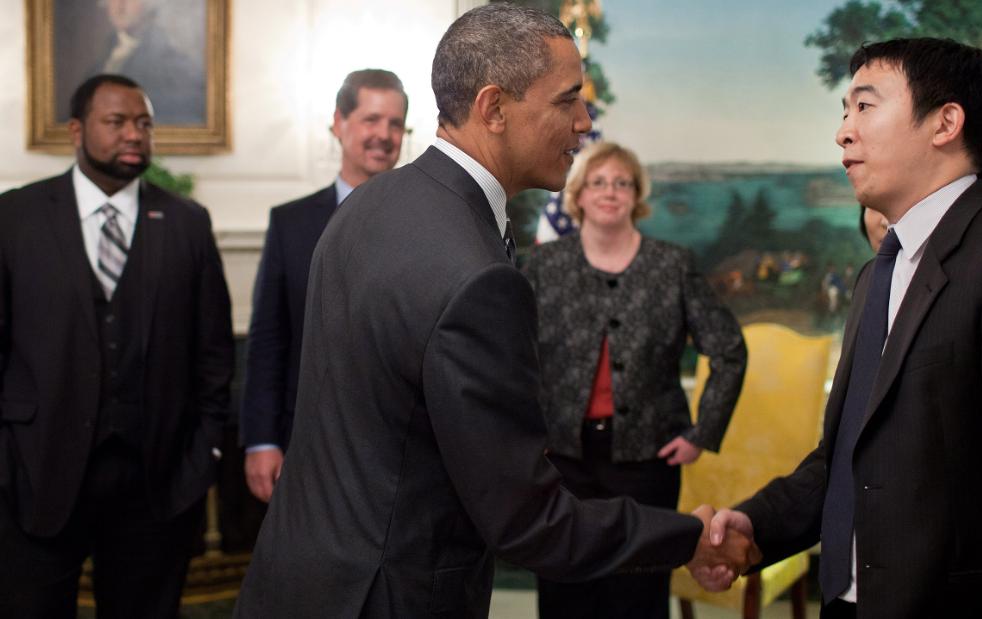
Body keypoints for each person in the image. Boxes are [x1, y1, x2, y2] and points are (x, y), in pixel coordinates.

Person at [233, 6, 757, 618]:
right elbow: (529, 521)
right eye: (569, 100)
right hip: (391, 595)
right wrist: (686, 537)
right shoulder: (478, 276)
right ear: (494, 108)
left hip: (295, 581)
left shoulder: (369, 204)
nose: (586, 123)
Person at [696, 38, 982, 617]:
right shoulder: (877, 273)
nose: (842, 131)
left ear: (945, 123)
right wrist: (755, 524)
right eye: (844, 110)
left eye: (863, 106)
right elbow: (851, 457)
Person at [0, 74, 234, 617]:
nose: (135, 134)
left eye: (145, 123)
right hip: (34, 477)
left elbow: (214, 354)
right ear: (78, 131)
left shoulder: (187, 223)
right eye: (117, 122)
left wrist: (203, 459)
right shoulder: (15, 218)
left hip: (155, 487)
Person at [524, 141, 747, 619]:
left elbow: (728, 351)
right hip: (562, 462)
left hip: (648, 461)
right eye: (598, 182)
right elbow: (514, 359)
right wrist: (527, 433)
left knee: (639, 598)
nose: (610, 192)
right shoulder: (544, 265)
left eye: (622, 183)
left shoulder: (672, 265)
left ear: (636, 196)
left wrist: (701, 434)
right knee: (566, 593)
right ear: (578, 195)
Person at [239, 69, 407, 503]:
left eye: (395, 123)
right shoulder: (290, 223)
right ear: (339, 123)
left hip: (402, 445)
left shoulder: (427, 222)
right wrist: (261, 440)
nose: (383, 135)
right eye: (371, 119)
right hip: (305, 440)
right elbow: (268, 340)